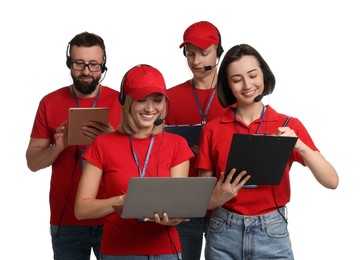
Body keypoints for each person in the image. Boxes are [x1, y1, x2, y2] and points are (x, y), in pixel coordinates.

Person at [196, 43, 339, 260]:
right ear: (227, 85)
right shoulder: (213, 129)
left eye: (253, 75)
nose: (247, 85)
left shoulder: (288, 124)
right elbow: (200, 202)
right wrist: (217, 197)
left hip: (271, 231)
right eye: (236, 80)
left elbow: (332, 181)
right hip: (223, 230)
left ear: (264, 74)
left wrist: (299, 145)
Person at [74, 64, 194, 259]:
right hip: (118, 251)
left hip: (165, 252)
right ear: (127, 101)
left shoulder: (177, 144)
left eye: (157, 100)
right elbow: (81, 209)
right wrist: (121, 201)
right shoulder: (103, 144)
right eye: (141, 100)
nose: (150, 108)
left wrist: (172, 218)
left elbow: (177, 209)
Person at [26, 32, 122, 260]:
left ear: (103, 65)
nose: (87, 71)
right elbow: (32, 162)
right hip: (66, 220)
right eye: (79, 63)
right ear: (69, 63)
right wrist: (58, 146)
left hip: (112, 215)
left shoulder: (122, 102)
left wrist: (112, 139)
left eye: (93, 65)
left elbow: (140, 157)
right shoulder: (49, 102)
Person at [165, 20, 228, 260]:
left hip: (224, 203)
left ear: (218, 52)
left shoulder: (235, 95)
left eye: (204, 53)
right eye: (190, 54)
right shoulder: (168, 97)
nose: (196, 62)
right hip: (183, 203)